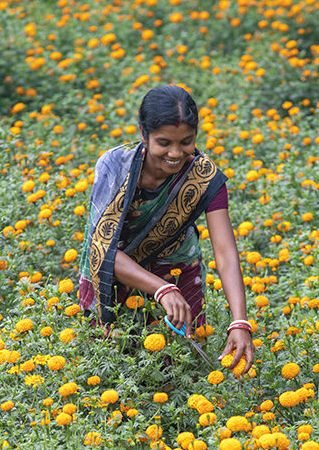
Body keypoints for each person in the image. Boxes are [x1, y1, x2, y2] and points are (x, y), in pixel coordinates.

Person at [78, 85, 254, 373]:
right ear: (143, 134)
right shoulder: (114, 166)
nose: (175, 153)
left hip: (176, 269)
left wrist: (240, 322)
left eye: (186, 141)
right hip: (117, 274)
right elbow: (102, 248)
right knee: (115, 366)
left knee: (180, 368)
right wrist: (161, 290)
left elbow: (225, 252)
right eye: (163, 143)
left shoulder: (203, 177)